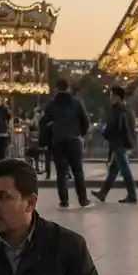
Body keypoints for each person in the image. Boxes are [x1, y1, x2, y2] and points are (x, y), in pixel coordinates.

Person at [39, 79, 92, 209]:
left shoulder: (51, 104)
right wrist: (79, 133)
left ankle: (64, 201)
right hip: (74, 140)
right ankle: (83, 200)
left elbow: (43, 123)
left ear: (56, 88)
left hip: (58, 141)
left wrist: (47, 138)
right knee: (78, 171)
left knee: (61, 173)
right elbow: (85, 121)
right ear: (68, 87)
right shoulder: (77, 102)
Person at [95, 86, 138, 204]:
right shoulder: (126, 109)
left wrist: (104, 132)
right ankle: (103, 193)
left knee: (124, 169)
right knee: (114, 169)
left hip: (119, 142)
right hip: (122, 142)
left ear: (117, 97)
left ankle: (132, 194)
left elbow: (115, 127)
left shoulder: (118, 110)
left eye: (111, 95)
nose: (110, 98)